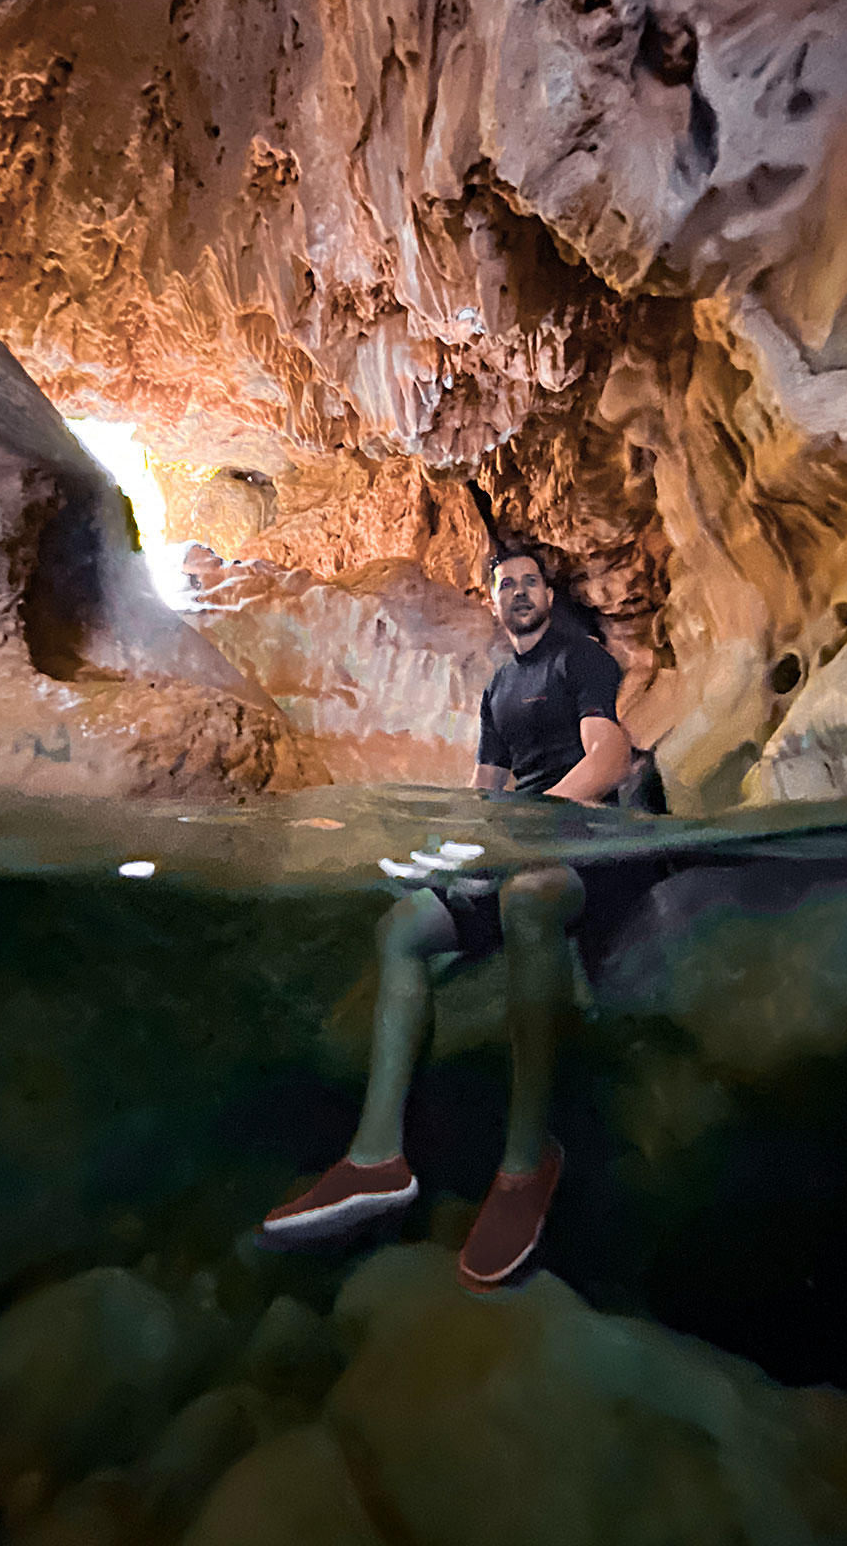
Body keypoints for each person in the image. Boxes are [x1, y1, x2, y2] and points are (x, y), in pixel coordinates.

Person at [261, 549, 650, 1291]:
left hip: (582, 842)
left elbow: (608, 756)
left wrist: (533, 825)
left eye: (530, 581)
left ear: (549, 593)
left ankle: (527, 1159)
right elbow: (484, 789)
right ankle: (376, 1159)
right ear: (494, 601)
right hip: (514, 844)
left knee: (526, 897)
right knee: (403, 925)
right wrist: (455, 849)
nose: (519, 593)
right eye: (506, 585)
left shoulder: (582, 660)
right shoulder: (501, 686)